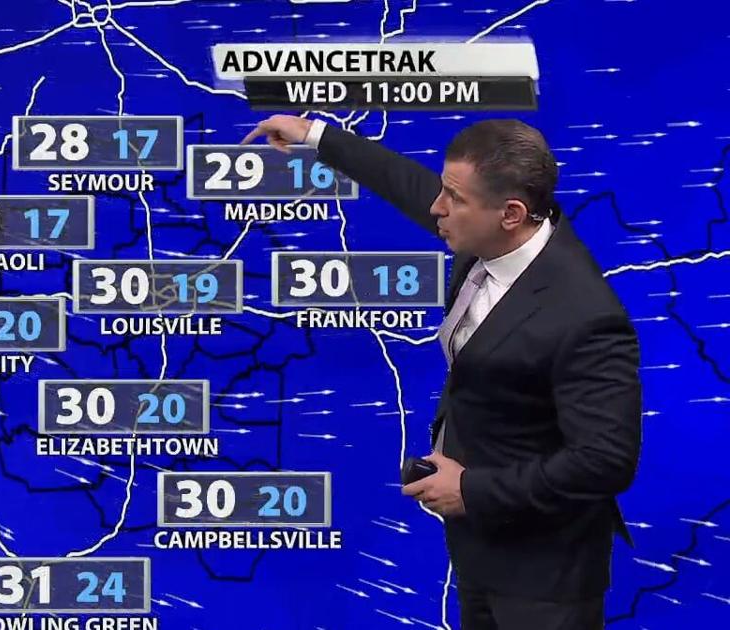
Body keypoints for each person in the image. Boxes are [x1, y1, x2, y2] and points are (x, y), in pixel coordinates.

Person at [243, 115, 642, 630]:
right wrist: (315, 135)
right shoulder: (490, 238)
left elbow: (605, 462)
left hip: (544, 576)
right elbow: (407, 184)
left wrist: (471, 489)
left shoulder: (584, 316)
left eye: (453, 197)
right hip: (480, 545)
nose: (437, 208)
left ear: (511, 213)